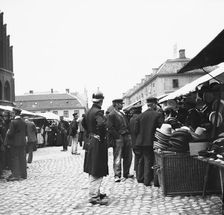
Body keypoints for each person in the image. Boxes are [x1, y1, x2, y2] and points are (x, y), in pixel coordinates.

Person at [82, 91, 109, 205]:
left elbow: (83, 124)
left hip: (90, 140)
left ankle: (96, 192)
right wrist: (101, 136)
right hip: (98, 142)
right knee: (97, 168)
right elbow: (102, 125)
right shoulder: (98, 112)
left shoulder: (88, 111)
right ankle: (93, 196)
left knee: (93, 167)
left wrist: (91, 132)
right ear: (101, 101)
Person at [135, 97, 163, 186]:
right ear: (154, 104)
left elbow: (136, 130)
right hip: (151, 141)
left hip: (141, 142)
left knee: (143, 159)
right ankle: (150, 181)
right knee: (151, 160)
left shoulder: (140, 116)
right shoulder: (157, 115)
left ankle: (141, 179)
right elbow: (160, 129)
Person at [107, 98, 133, 182]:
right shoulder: (111, 114)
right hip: (119, 138)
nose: (122, 105)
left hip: (126, 136)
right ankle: (117, 175)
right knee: (117, 157)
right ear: (116, 104)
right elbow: (110, 128)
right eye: (121, 104)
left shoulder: (122, 113)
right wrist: (117, 136)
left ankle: (126, 173)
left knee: (128, 156)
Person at [6, 107, 27, 181]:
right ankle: (23, 175)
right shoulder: (24, 122)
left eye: (12, 112)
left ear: (14, 113)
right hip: (23, 143)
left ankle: (16, 175)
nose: (11, 113)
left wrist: (7, 132)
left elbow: (10, 134)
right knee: (22, 158)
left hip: (15, 143)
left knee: (15, 158)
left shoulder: (13, 122)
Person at [129, 104, 142, 182]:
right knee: (140, 158)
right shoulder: (139, 118)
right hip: (139, 142)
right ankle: (140, 175)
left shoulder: (131, 119)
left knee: (137, 158)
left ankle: (137, 173)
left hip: (134, 142)